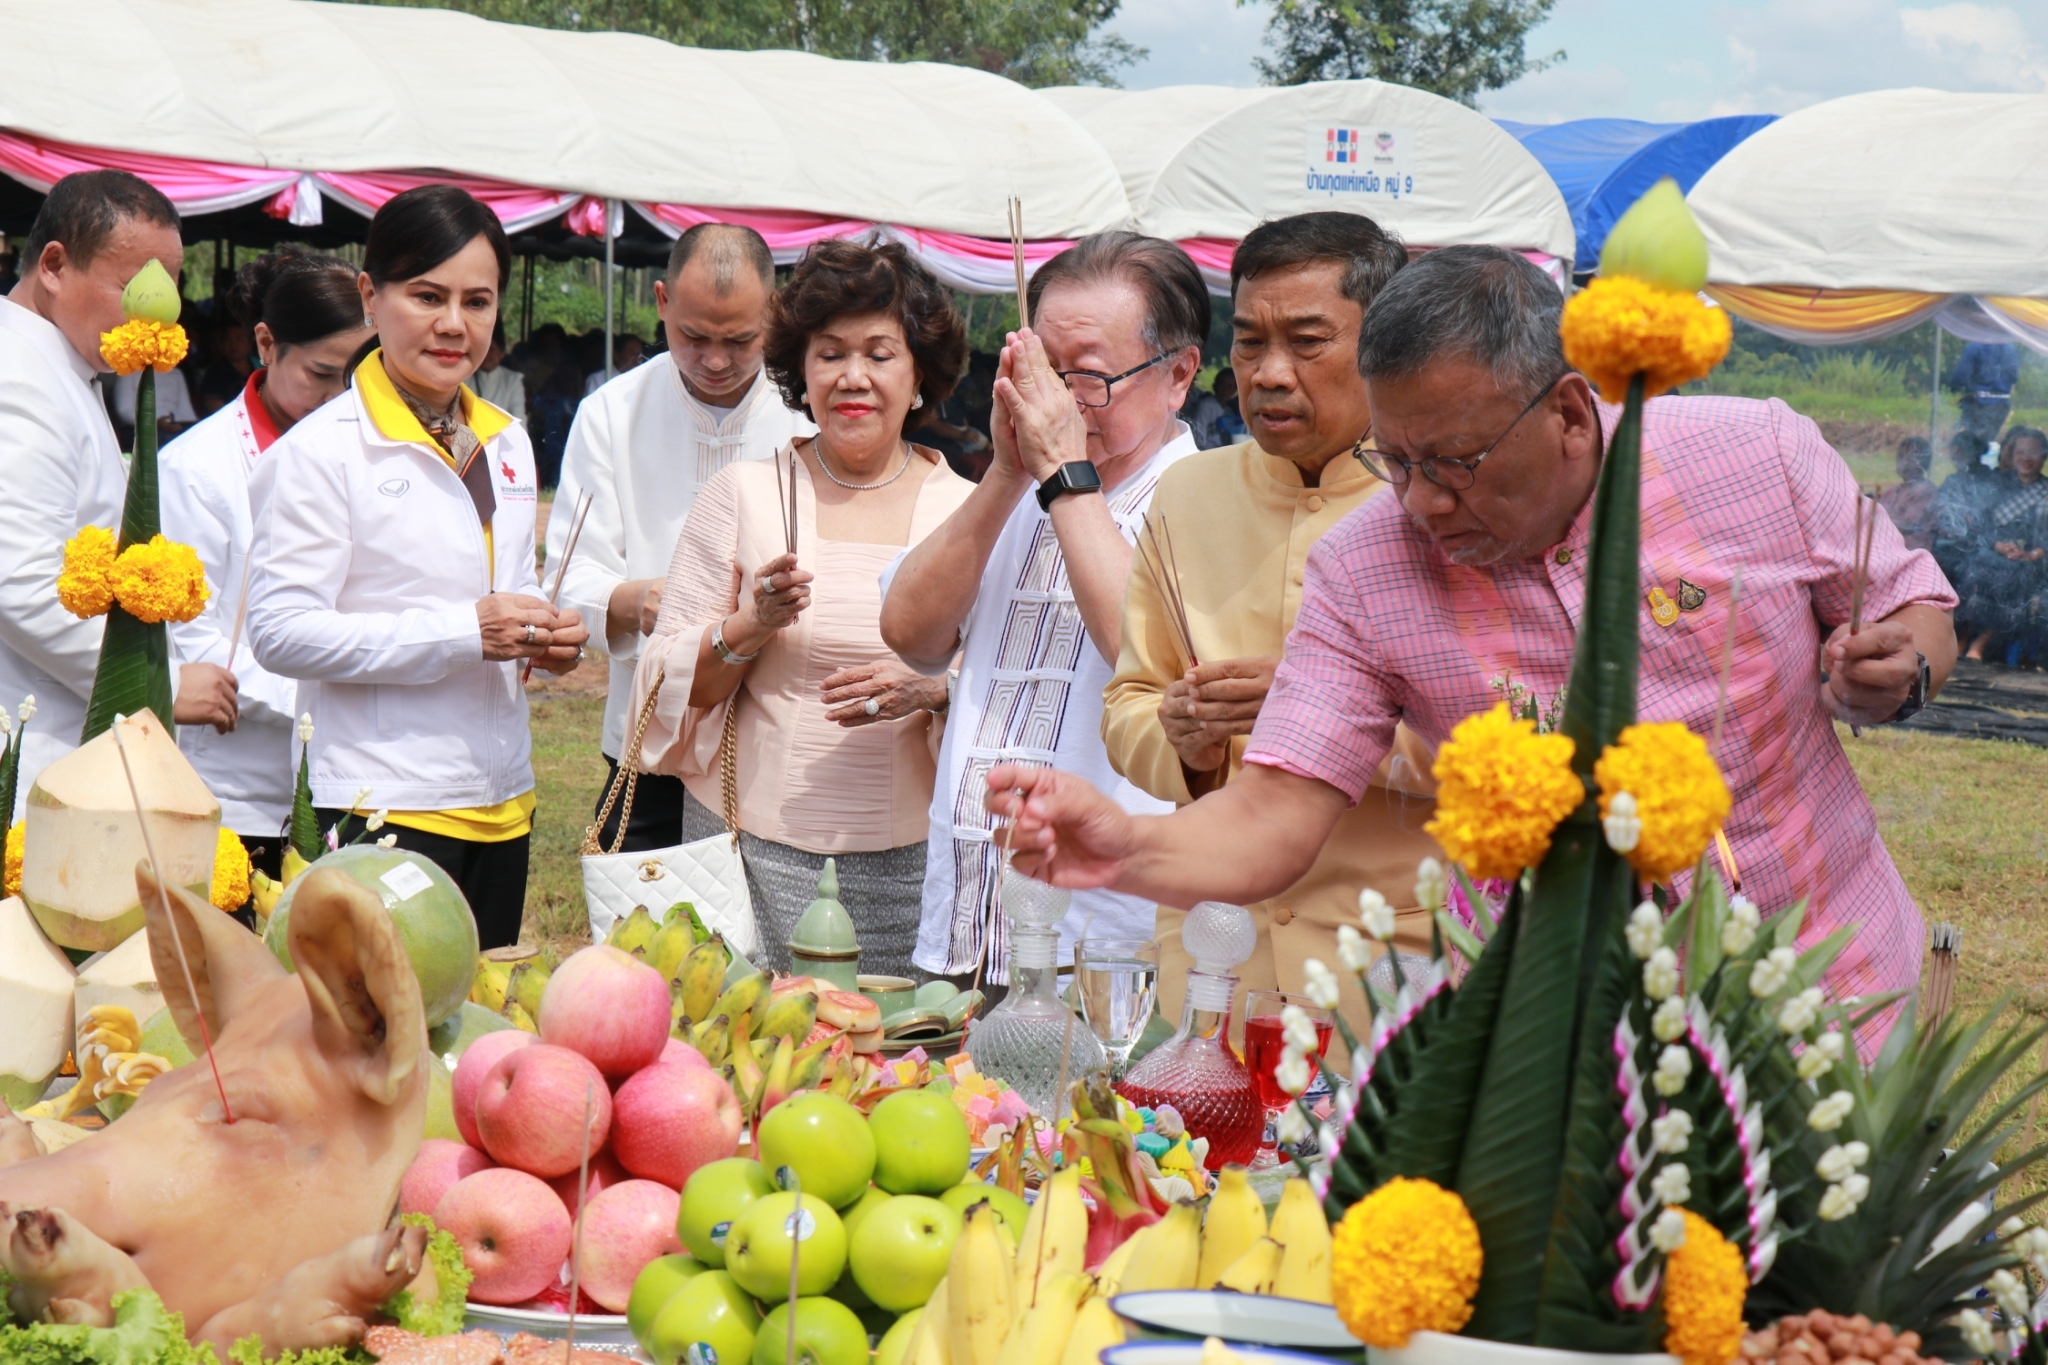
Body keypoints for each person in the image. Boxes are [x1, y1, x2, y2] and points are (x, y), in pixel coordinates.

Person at [984, 245, 1957, 1022]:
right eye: (1392, 459)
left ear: (1572, 413)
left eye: (1451, 462)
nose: (1417, 502)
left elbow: (1918, 604)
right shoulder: (1367, 570)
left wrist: (1900, 664)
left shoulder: (1752, 458)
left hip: (1834, 986)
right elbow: (1269, 818)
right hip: (1571, 1024)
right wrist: (1119, 847)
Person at [1102, 212, 1439, 1039]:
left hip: (1390, 964)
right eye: (1249, 342)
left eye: (1308, 341)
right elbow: (1129, 705)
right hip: (1214, 960)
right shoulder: (1189, 494)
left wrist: (1318, 725)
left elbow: (1506, 745)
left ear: (1385, 345)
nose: (1270, 373)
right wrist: (1183, 737)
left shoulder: (1443, 501)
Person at [248, 185, 587, 949]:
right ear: (371, 296)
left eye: (477, 300)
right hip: (384, 803)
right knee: (379, 1047)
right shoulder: (321, 451)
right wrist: (466, 631)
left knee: (480, 1036)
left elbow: (511, 589)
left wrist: (544, 635)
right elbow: (280, 632)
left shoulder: (501, 439)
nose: (453, 324)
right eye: (427, 296)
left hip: (504, 799)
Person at [626, 239, 974, 973]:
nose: (854, 377)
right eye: (830, 354)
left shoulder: (968, 514)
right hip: (749, 849)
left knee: (901, 1064)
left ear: (919, 378)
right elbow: (665, 682)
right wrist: (751, 626)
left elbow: (1006, 689)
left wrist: (930, 690)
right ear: (801, 374)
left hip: (911, 861)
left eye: (880, 354)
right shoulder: (742, 495)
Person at [880, 231, 1206, 985]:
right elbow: (910, 633)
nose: (1057, 403)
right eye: (1044, 374)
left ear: (1179, 373)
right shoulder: (1020, 489)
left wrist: (1063, 472)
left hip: (1103, 944)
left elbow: (1144, 651)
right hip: (967, 915)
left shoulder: (1203, 501)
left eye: (1088, 379)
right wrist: (1004, 473)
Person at [552, 224, 812, 854]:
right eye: (693, 337)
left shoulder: (806, 416)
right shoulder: (612, 414)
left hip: (777, 740)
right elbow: (568, 577)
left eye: (741, 340)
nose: (716, 360)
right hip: (651, 738)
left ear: (774, 315)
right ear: (662, 302)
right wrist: (635, 600)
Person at [0, 169, 233, 804]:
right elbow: (18, 582)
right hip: (29, 735)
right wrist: (157, 681)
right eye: (131, 287)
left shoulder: (63, 366)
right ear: (54, 264)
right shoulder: (19, 381)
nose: (150, 309)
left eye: (167, 288)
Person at [160, 249, 373, 878]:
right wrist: (338, 683)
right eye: (321, 374)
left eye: (355, 381)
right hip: (237, 784)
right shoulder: (196, 470)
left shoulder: (367, 452)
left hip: (351, 774)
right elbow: (194, 639)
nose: (338, 399)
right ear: (265, 342)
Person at [1959, 426, 2048, 665]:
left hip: (2034, 561)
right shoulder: (1998, 482)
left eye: (2033, 453)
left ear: (2044, 456)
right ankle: (1964, 638)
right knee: (1976, 570)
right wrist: (1999, 546)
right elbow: (1980, 522)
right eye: (2021, 452)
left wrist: (2032, 554)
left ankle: (1982, 642)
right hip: (1996, 551)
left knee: (2018, 580)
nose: (2026, 458)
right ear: (2013, 455)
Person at [1934, 430, 1998, 595]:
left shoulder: (1990, 479)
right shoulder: (1952, 480)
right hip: (1949, 543)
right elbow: (1938, 510)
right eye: (1954, 455)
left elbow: (1984, 516)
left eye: (1961, 454)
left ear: (1976, 453)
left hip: (1979, 544)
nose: (1956, 459)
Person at [1948, 341, 2019, 446]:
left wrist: (1955, 387)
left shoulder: (1975, 346)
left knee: (1973, 444)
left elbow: (1961, 375)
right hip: (2001, 405)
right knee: (1988, 442)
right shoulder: (2010, 347)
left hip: (1979, 404)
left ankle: (1974, 460)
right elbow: (2014, 376)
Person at [1877, 436, 1938, 553]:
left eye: (1910, 458)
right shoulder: (1893, 491)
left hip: (1911, 555)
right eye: (1900, 456)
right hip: (1886, 552)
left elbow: (1906, 525)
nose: (1904, 462)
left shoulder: (1927, 493)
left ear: (1924, 463)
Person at [471, 321, 526, 422]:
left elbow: (518, 417)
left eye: (491, 349)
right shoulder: (465, 377)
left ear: (502, 354)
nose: (487, 355)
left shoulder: (512, 379)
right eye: (484, 349)